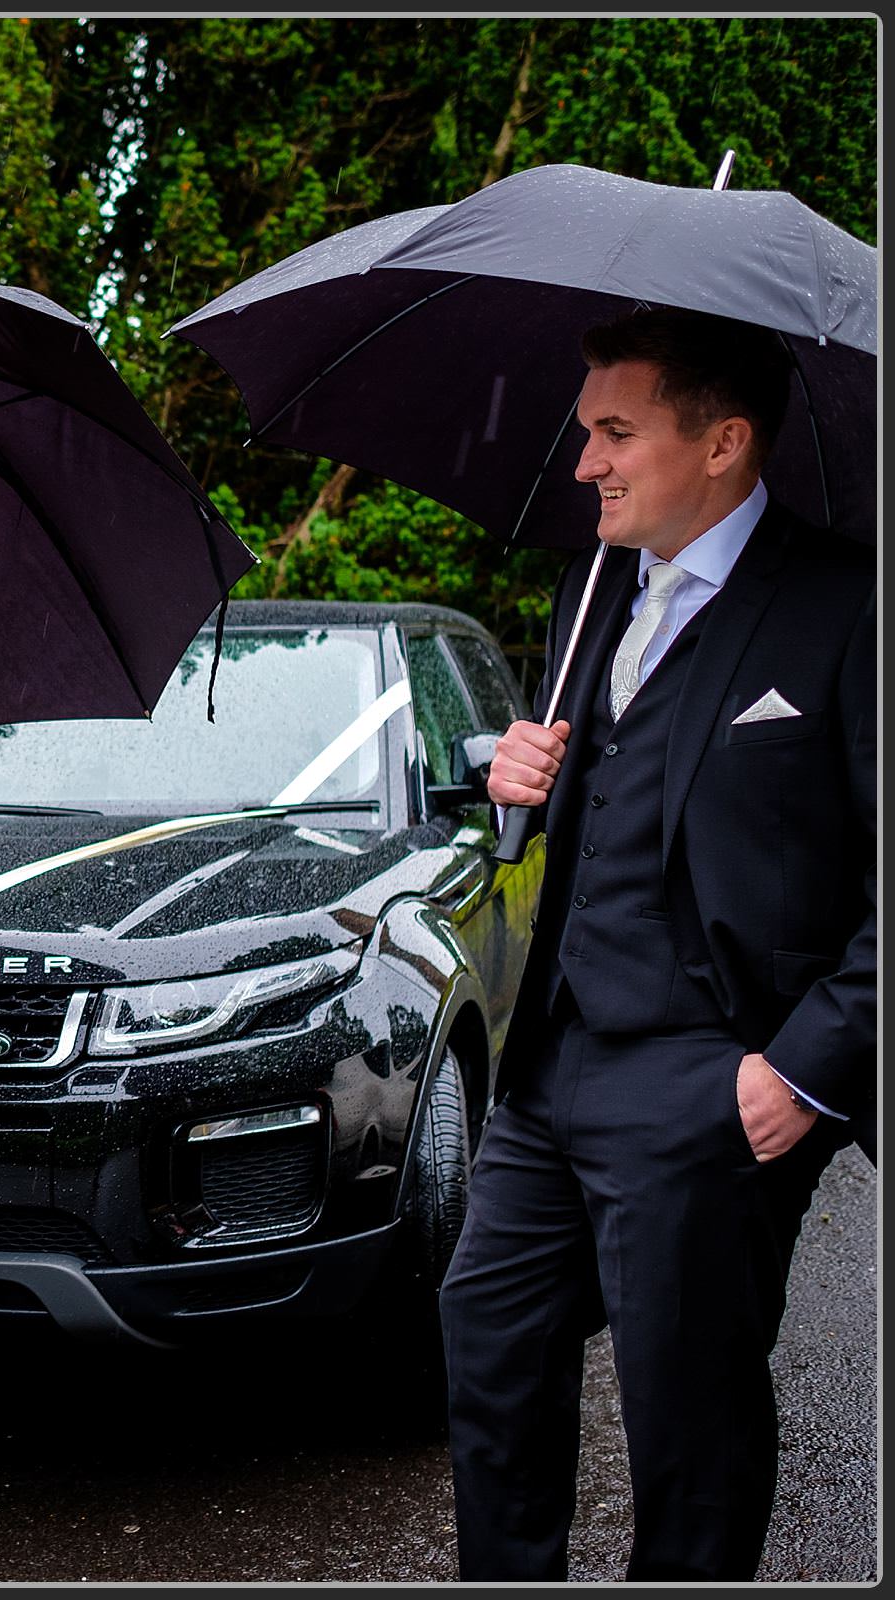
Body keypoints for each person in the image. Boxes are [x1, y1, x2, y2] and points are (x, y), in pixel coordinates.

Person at [442, 307, 874, 1580]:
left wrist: (797, 1075)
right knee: (489, 1334)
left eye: (616, 432)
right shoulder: (594, 590)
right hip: (552, 1063)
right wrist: (521, 784)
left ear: (726, 442)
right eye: (586, 433)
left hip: (712, 1077)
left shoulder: (848, 606)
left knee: (688, 1421)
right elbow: (604, 794)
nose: (586, 464)